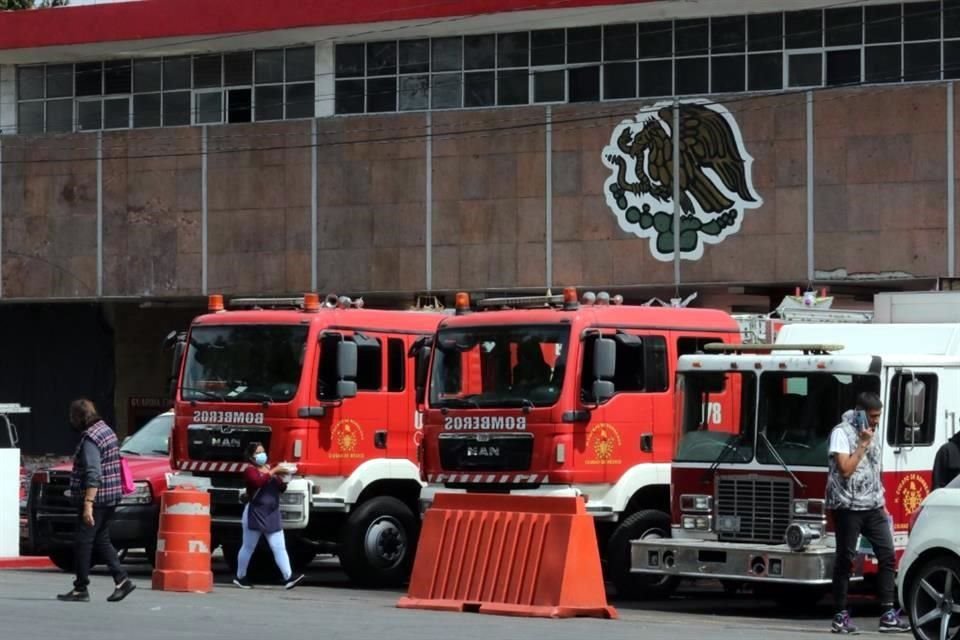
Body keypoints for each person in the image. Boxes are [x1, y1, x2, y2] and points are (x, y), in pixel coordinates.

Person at [826, 392, 909, 634]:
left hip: (872, 505)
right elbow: (845, 470)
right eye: (873, 416)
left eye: (879, 416)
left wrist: (881, 499)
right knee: (846, 559)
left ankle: (887, 614)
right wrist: (862, 443)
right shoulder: (841, 433)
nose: (876, 421)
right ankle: (840, 616)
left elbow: (874, 468)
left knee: (888, 555)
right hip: (847, 507)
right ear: (860, 412)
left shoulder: (874, 433)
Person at [57, 399, 136, 603]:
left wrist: (88, 504)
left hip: (97, 498)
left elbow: (94, 472)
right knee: (101, 538)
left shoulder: (90, 438)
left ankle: (80, 588)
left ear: (79, 417)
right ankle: (122, 580)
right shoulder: (106, 430)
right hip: (111, 496)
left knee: (83, 542)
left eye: (72, 418)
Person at [233, 442, 305, 590]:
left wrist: (284, 478)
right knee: (248, 546)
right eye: (258, 452)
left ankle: (288, 577)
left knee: (279, 547)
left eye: (263, 451)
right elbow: (258, 482)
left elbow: (280, 488)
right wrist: (274, 471)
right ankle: (240, 576)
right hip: (255, 513)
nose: (262, 455)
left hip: (271, 513)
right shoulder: (250, 470)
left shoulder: (268, 469)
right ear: (251, 456)